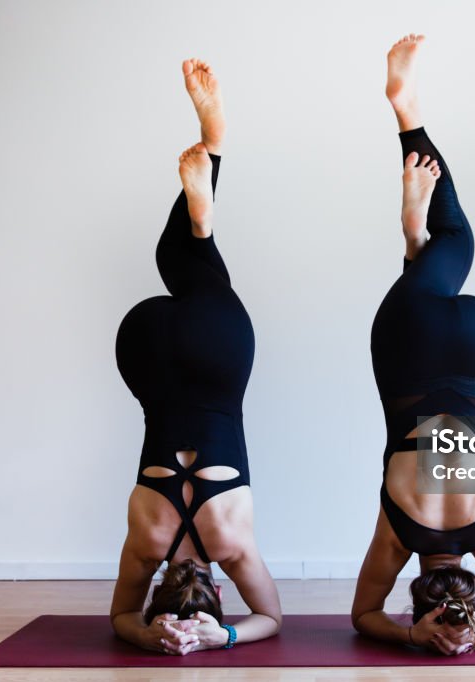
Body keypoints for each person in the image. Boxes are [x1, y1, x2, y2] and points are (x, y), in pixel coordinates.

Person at [351, 34, 475, 655]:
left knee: (455, 239)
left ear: (473, 586)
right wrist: (412, 636)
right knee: (424, 283)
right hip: (408, 344)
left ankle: (416, 239)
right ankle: (411, 237)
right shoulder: (398, 538)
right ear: (419, 593)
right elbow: (362, 616)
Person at [110, 58, 281, 655]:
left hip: (218, 358)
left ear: (216, 588)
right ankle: (204, 200)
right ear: (163, 591)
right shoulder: (147, 544)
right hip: (146, 350)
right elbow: (121, 618)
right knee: (176, 258)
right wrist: (149, 631)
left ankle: (206, 208)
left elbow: (271, 618)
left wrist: (222, 637)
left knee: (197, 269)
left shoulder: (230, 545)